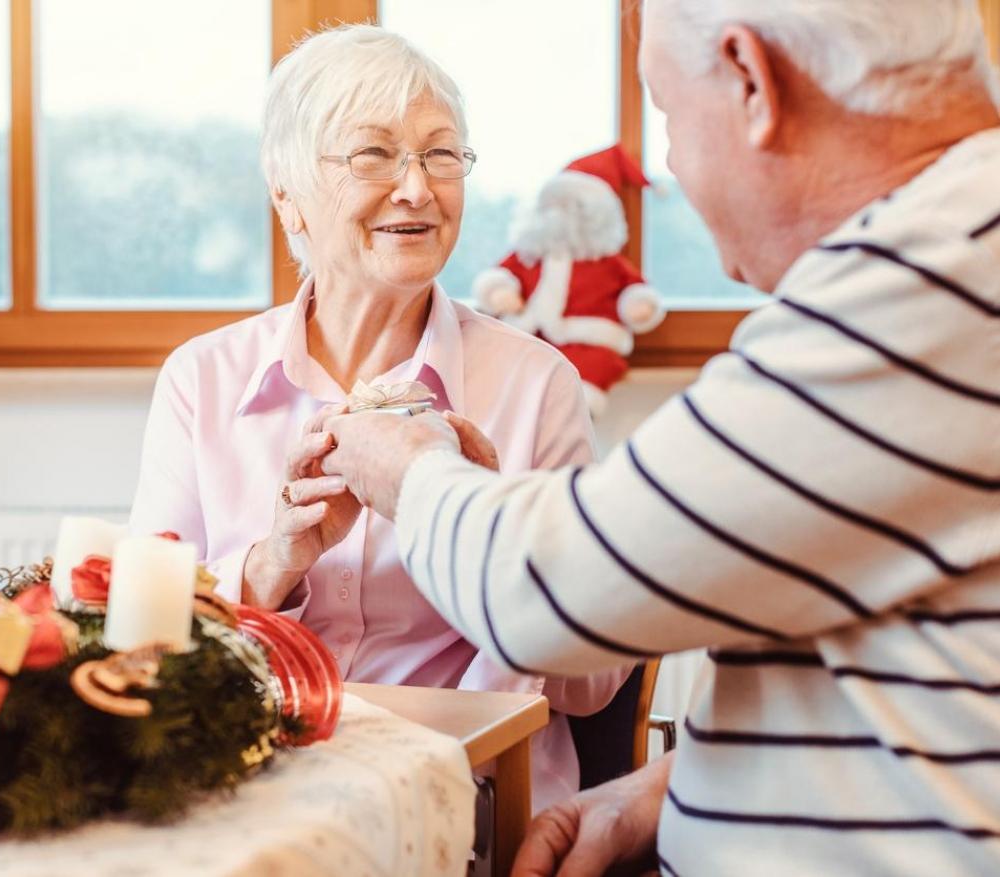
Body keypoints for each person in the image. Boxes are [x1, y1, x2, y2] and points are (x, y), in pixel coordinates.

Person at [319, 1, 1000, 873]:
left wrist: (411, 463)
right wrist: (667, 788)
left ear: (752, 81)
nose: (677, 165)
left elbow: (552, 590)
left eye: (670, 118)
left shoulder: (934, 278)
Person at [127, 23, 627, 812]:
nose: (418, 188)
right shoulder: (203, 380)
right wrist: (272, 562)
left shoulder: (537, 384)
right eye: (374, 154)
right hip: (252, 793)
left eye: (440, 153)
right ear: (286, 192)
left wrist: (489, 535)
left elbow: (594, 686)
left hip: (471, 801)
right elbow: (139, 649)